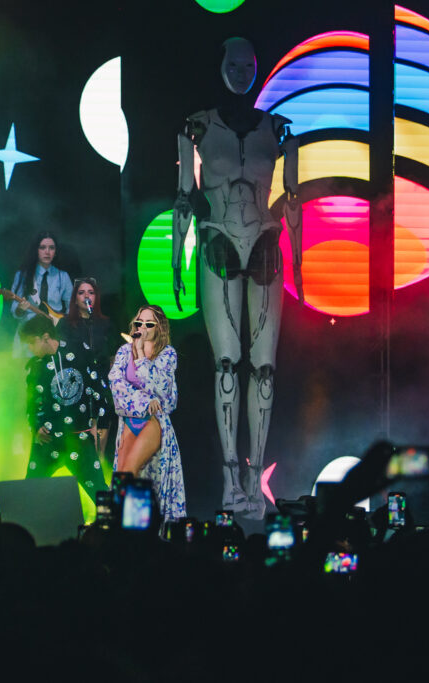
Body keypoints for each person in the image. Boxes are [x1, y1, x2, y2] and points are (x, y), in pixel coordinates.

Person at [172, 37, 302, 518]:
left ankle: (254, 477)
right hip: (218, 241)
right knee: (226, 363)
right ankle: (231, 479)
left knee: (264, 367)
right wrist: (176, 260)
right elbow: (184, 196)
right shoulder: (197, 127)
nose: (242, 71)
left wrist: (301, 264)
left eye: (249, 65)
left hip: (265, 242)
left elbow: (292, 198)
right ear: (221, 66)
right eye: (234, 64)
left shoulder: (279, 130)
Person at [108, 305, 186, 522]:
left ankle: (133, 525)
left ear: (159, 327)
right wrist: (145, 401)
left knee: (131, 473)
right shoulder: (124, 352)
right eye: (139, 323)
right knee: (121, 476)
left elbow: (159, 388)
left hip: (153, 422)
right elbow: (116, 384)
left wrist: (142, 353)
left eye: (149, 324)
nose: (142, 327)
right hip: (129, 420)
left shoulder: (167, 354)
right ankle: (124, 525)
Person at [20, 315, 110, 503]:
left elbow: (98, 387)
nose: (30, 348)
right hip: (49, 440)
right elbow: (31, 403)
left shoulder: (77, 351)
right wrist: (36, 427)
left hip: (79, 438)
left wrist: (101, 424)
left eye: (32, 342)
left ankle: (116, 522)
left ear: (45, 337)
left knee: (100, 492)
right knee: (29, 493)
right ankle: (15, 522)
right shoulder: (36, 366)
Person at [59, 277, 114, 453]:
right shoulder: (65, 324)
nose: (86, 296)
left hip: (102, 382)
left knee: (102, 431)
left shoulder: (105, 324)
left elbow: (112, 355)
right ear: (75, 298)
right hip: (78, 384)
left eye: (91, 292)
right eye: (81, 293)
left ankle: (100, 463)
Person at [9, 231, 72, 328]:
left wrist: (64, 324)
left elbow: (71, 306)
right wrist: (20, 309)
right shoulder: (22, 275)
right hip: (28, 329)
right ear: (36, 250)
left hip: (54, 330)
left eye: (51, 248)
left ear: (55, 252)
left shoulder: (63, 276)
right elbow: (14, 310)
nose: (47, 252)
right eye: (42, 247)